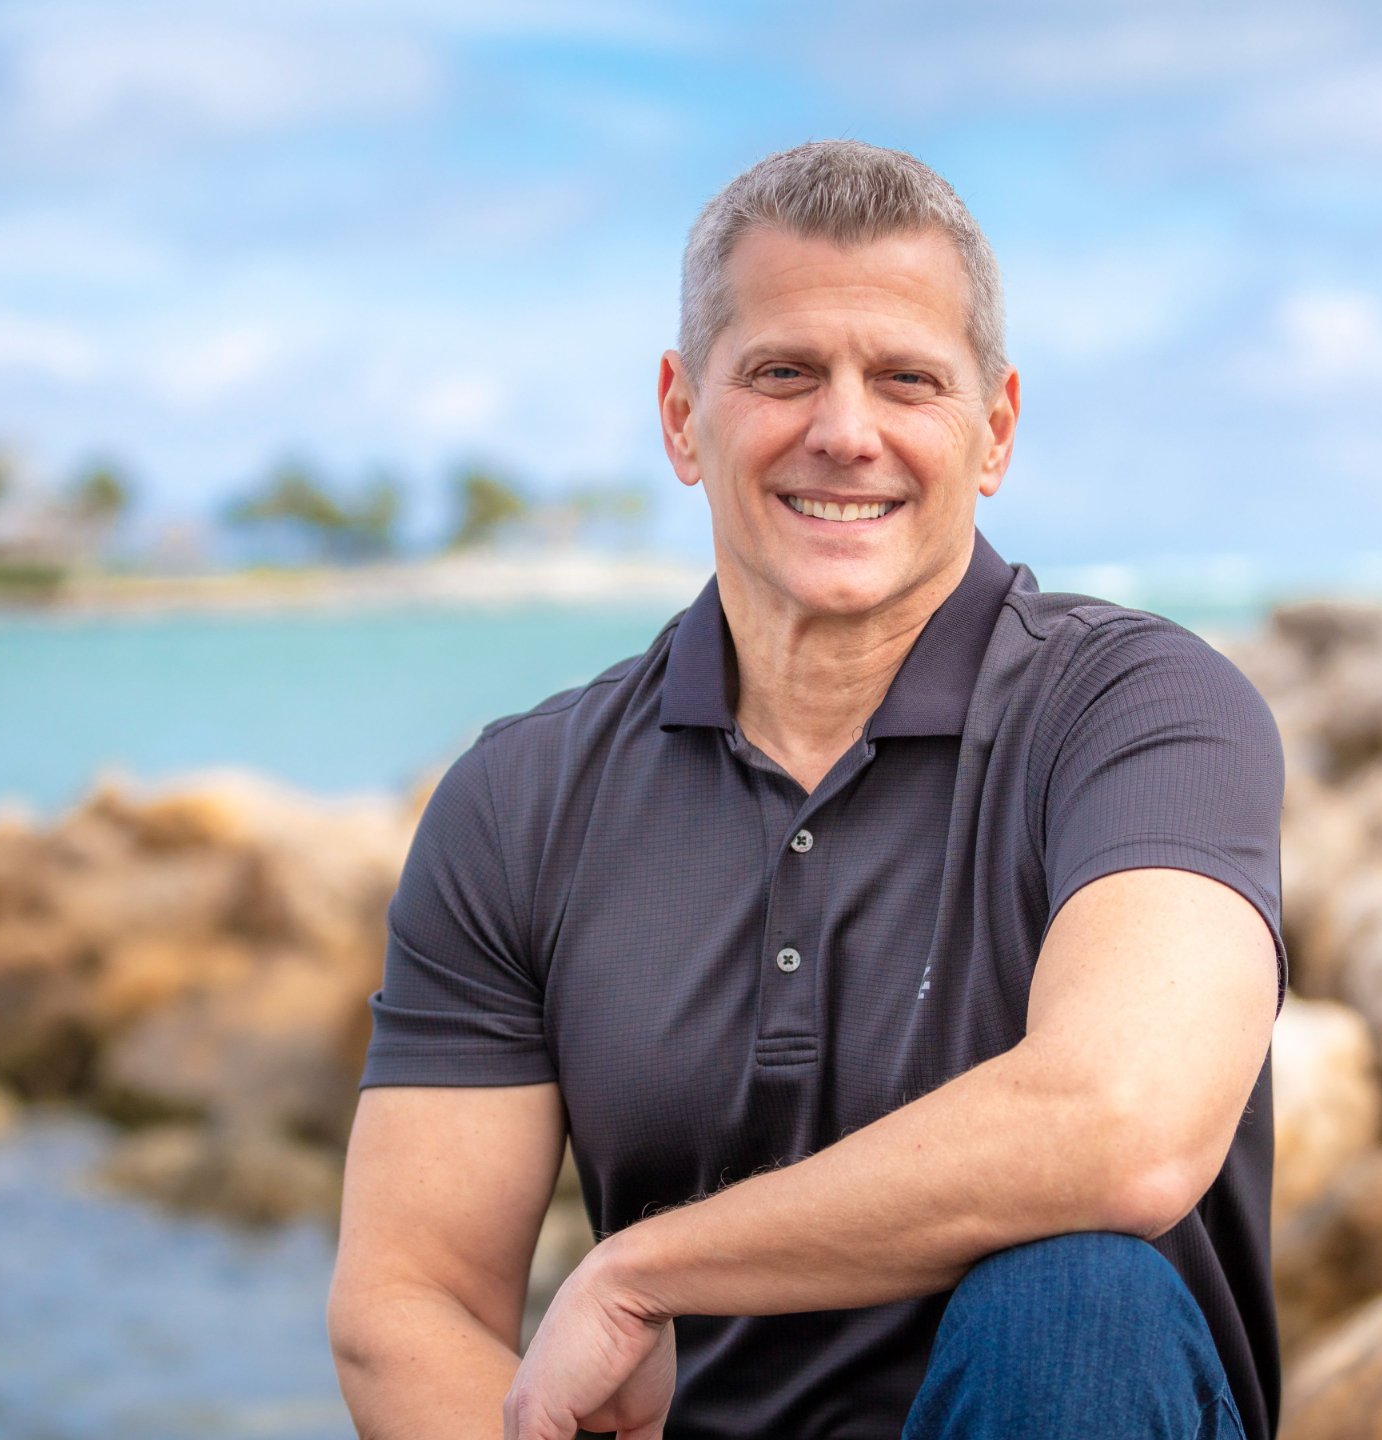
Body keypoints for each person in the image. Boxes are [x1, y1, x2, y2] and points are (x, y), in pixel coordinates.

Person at [328, 139, 1284, 1440]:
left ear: (995, 429)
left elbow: (1125, 1124)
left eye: (906, 380)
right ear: (682, 415)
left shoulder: (1139, 711)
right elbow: (410, 1297)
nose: (844, 433)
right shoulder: (520, 799)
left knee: (1076, 1298)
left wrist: (639, 1271)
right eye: (783, 373)